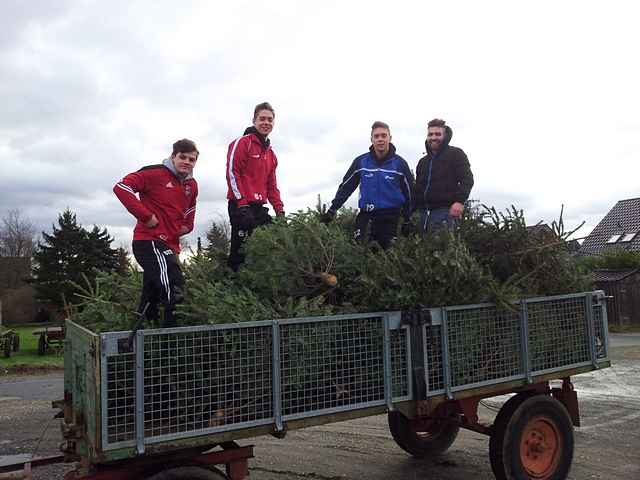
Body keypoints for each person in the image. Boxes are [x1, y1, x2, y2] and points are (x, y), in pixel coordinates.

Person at [113, 138, 199, 328]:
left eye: (191, 159)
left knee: (150, 297)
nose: (187, 162)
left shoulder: (191, 186)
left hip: (170, 245)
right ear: (173, 156)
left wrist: (179, 229)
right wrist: (147, 217)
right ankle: (173, 336)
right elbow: (121, 187)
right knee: (174, 285)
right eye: (182, 157)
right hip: (149, 242)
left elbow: (189, 216)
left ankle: (139, 342)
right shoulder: (153, 173)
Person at [321, 121, 414, 249]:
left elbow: (410, 193)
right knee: (360, 254)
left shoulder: (400, 164)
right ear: (371, 139)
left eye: (383, 135)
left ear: (390, 138)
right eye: (376, 136)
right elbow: (346, 187)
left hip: (391, 217)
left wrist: (408, 219)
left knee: (388, 258)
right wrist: (332, 210)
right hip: (366, 216)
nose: (380, 139)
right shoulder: (361, 162)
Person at [226, 102, 285, 271]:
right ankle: (230, 286)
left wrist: (279, 210)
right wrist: (242, 204)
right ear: (254, 120)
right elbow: (232, 173)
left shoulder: (271, 154)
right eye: (262, 119)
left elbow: (272, 185)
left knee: (275, 243)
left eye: (270, 119)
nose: (266, 122)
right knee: (239, 253)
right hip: (240, 206)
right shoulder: (243, 143)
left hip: (259, 208)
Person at [414, 118, 474, 234]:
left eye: (438, 134)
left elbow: (467, 179)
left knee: (440, 250)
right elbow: (417, 188)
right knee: (422, 250)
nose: (433, 137)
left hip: (445, 213)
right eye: (430, 134)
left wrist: (459, 202)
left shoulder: (456, 154)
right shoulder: (423, 162)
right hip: (423, 214)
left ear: (445, 136)